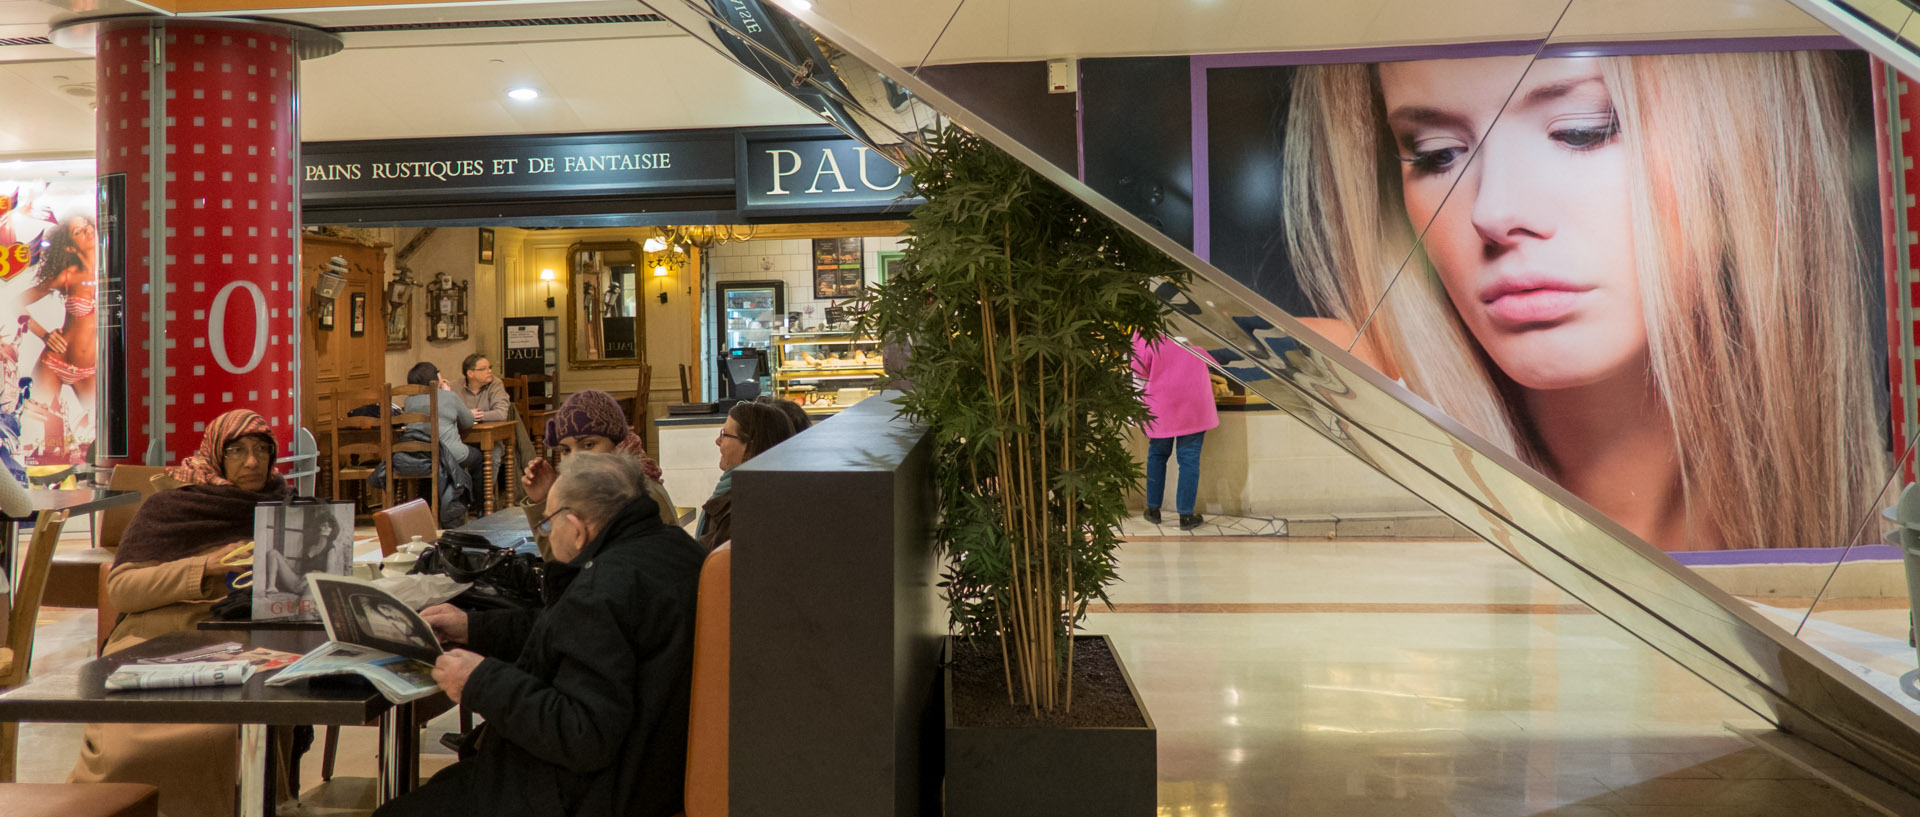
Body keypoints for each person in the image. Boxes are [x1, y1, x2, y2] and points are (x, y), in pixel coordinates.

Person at [1280, 52, 1885, 552]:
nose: (1493, 211)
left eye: (1582, 130)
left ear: (1746, 147)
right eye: (1438, 152)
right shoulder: (1341, 379)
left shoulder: (1864, 515)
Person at [385, 453, 706, 817]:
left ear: (576, 527)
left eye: (550, 524)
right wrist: (473, 627)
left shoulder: (603, 590)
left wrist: (480, 681)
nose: (548, 534)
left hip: (585, 794)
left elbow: (583, 735)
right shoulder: (675, 549)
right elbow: (566, 633)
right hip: (652, 774)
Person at [68, 410, 297, 817]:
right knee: (130, 742)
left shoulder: (284, 508)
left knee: (231, 727)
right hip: (152, 640)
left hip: (239, 644)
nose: (252, 462)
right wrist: (205, 569)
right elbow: (122, 590)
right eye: (238, 451)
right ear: (215, 455)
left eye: (262, 450)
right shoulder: (171, 507)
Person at [520, 389, 676, 557]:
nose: (575, 459)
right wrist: (543, 501)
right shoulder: (588, 492)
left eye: (588, 445)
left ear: (618, 444)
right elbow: (564, 565)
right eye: (566, 450)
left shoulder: (640, 493)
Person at [21, 215, 98, 457]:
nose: (87, 231)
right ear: (69, 246)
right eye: (78, 232)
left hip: (89, 370)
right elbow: (17, 302)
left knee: (98, 429)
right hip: (55, 363)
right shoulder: (68, 276)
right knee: (35, 428)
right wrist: (44, 335)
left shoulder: (111, 273)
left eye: (87, 226)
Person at [1133, 334, 1218, 530]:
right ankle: (1186, 516)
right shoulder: (1193, 346)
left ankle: (1153, 510)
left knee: (1157, 455)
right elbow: (1217, 363)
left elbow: (1138, 368)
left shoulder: (1145, 335)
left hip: (1163, 405)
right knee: (1189, 459)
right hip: (1194, 405)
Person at [697, 400, 794, 551]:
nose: (717, 441)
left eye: (725, 435)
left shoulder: (739, 512)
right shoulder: (782, 493)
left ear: (750, 447)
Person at [457, 353, 511, 423]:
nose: (490, 371)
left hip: (491, 430)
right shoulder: (455, 386)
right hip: (462, 432)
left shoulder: (496, 384)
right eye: (483, 369)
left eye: (490, 367)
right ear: (470, 373)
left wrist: (469, 416)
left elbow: (501, 413)